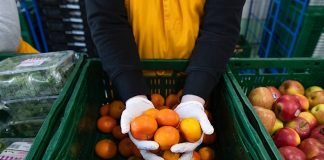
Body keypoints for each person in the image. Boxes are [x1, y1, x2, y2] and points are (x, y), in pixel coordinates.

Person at [85, 0, 245, 159]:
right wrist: (133, 94)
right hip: (128, 73)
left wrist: (195, 95)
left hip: (194, 74)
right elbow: (107, 21)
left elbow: (221, 25)